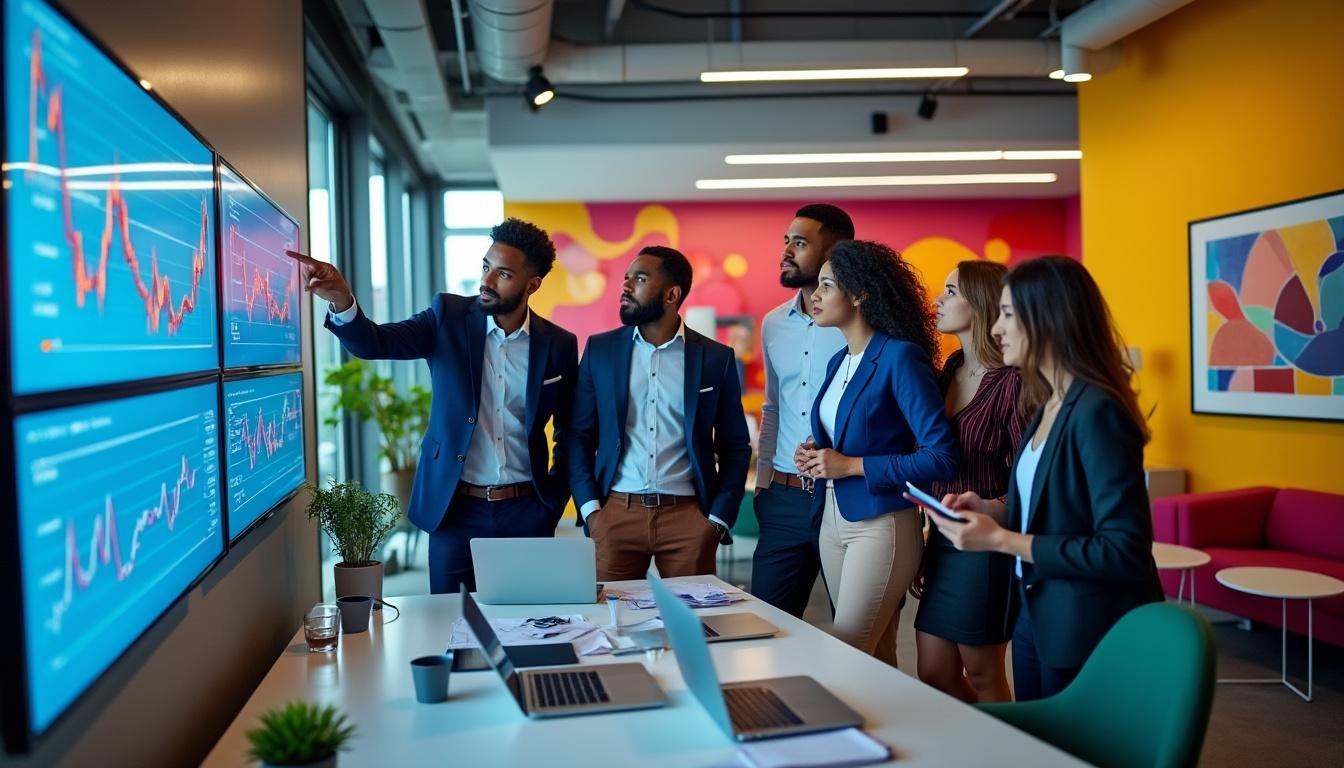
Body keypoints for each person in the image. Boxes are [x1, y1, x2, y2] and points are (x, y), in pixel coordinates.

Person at [288, 218, 578, 594]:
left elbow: (570, 430)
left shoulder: (558, 344)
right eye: (486, 266)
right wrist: (342, 300)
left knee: (527, 617)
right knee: (448, 619)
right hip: (455, 511)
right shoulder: (448, 317)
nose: (487, 281)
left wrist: (552, 503)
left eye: (503, 274)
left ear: (532, 284)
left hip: (527, 511)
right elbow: (375, 343)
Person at [928, 255, 1162, 701]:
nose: (997, 329)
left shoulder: (1097, 412)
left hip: (1087, 620)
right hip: (1037, 608)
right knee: (1035, 733)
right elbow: (1046, 510)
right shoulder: (1048, 403)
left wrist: (1001, 540)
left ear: (1048, 319)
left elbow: (1124, 550)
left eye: (1008, 315)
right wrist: (989, 508)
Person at [794, 240, 957, 666]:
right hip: (832, 519)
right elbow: (850, 437)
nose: (814, 295)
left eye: (827, 286)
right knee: (876, 656)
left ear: (859, 294)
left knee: (848, 652)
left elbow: (941, 456)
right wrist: (816, 453)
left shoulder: (900, 358)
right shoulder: (839, 361)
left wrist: (849, 465)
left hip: (881, 524)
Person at [568, 245, 751, 581]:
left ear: (671, 294)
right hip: (615, 516)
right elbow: (578, 435)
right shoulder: (600, 351)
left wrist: (717, 519)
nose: (626, 286)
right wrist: (591, 510)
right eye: (627, 278)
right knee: (612, 614)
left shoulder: (716, 358)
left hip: (689, 519)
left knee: (691, 616)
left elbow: (735, 445)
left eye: (639, 279)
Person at [913, 260, 1022, 703]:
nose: (938, 300)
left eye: (951, 291)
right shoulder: (950, 367)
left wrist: (994, 507)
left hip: (985, 541)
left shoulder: (1012, 382)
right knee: (933, 670)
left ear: (980, 304)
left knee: (982, 671)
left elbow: (1030, 477)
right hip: (940, 537)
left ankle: (1007, 740)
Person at [753, 203, 853, 617]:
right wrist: (763, 485)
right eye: (786, 241)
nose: (786, 252)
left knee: (857, 632)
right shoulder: (773, 324)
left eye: (800, 243)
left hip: (846, 497)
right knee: (766, 625)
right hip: (783, 498)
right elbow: (774, 406)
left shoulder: (862, 324)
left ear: (834, 252)